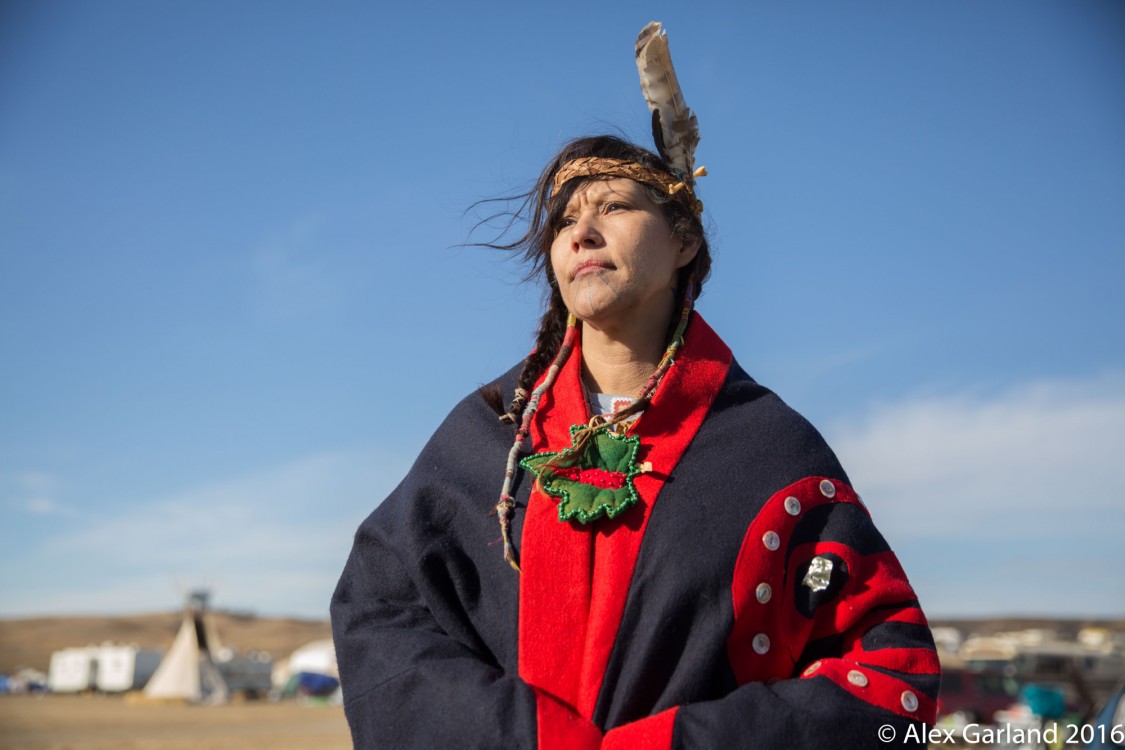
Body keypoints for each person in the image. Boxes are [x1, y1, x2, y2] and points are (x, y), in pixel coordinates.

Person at [332, 24, 940, 750]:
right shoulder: (485, 436)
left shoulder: (766, 449)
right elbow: (379, 613)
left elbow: (889, 670)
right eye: (564, 222)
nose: (581, 233)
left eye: (614, 208)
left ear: (684, 239)